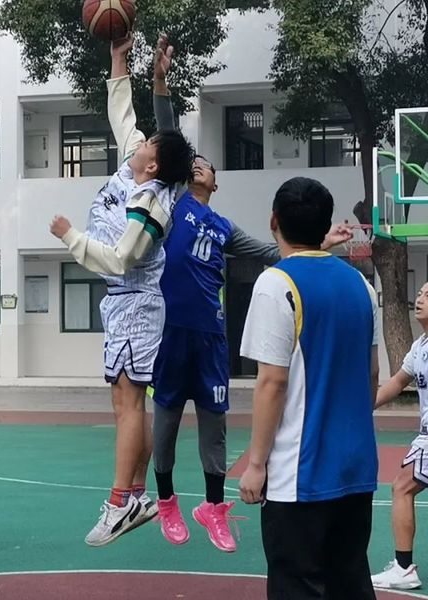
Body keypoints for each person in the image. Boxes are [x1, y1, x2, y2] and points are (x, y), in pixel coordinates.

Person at [149, 74, 352, 552]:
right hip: (172, 329)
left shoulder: (223, 226)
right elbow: (170, 138)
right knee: (167, 420)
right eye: (193, 162)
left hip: (211, 335)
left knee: (215, 422)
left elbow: (273, 251)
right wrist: (160, 84)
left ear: (215, 182)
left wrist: (321, 241)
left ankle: (213, 507)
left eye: (206, 164)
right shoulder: (173, 203)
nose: (198, 165)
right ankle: (166, 499)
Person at [49, 34, 194, 547]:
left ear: (153, 165)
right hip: (122, 304)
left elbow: (119, 259)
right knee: (124, 403)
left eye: (149, 144)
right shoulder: (140, 165)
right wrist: (119, 63)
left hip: (135, 303)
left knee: (130, 403)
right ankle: (135, 494)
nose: (142, 140)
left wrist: (70, 236)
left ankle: (119, 502)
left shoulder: (152, 203)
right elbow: (123, 115)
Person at [238, 177, 379, 599]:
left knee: (297, 587)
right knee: (349, 584)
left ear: (273, 221)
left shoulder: (276, 283)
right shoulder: (361, 285)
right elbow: (372, 373)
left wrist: (256, 464)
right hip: (356, 469)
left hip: (299, 474)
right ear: (324, 225)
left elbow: (272, 382)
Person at [370, 281, 428, 591]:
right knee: (402, 487)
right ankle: (403, 567)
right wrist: (362, 405)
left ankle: (404, 569)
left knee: (402, 487)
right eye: (419, 293)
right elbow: (397, 382)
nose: (420, 298)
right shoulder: (420, 346)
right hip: (425, 437)